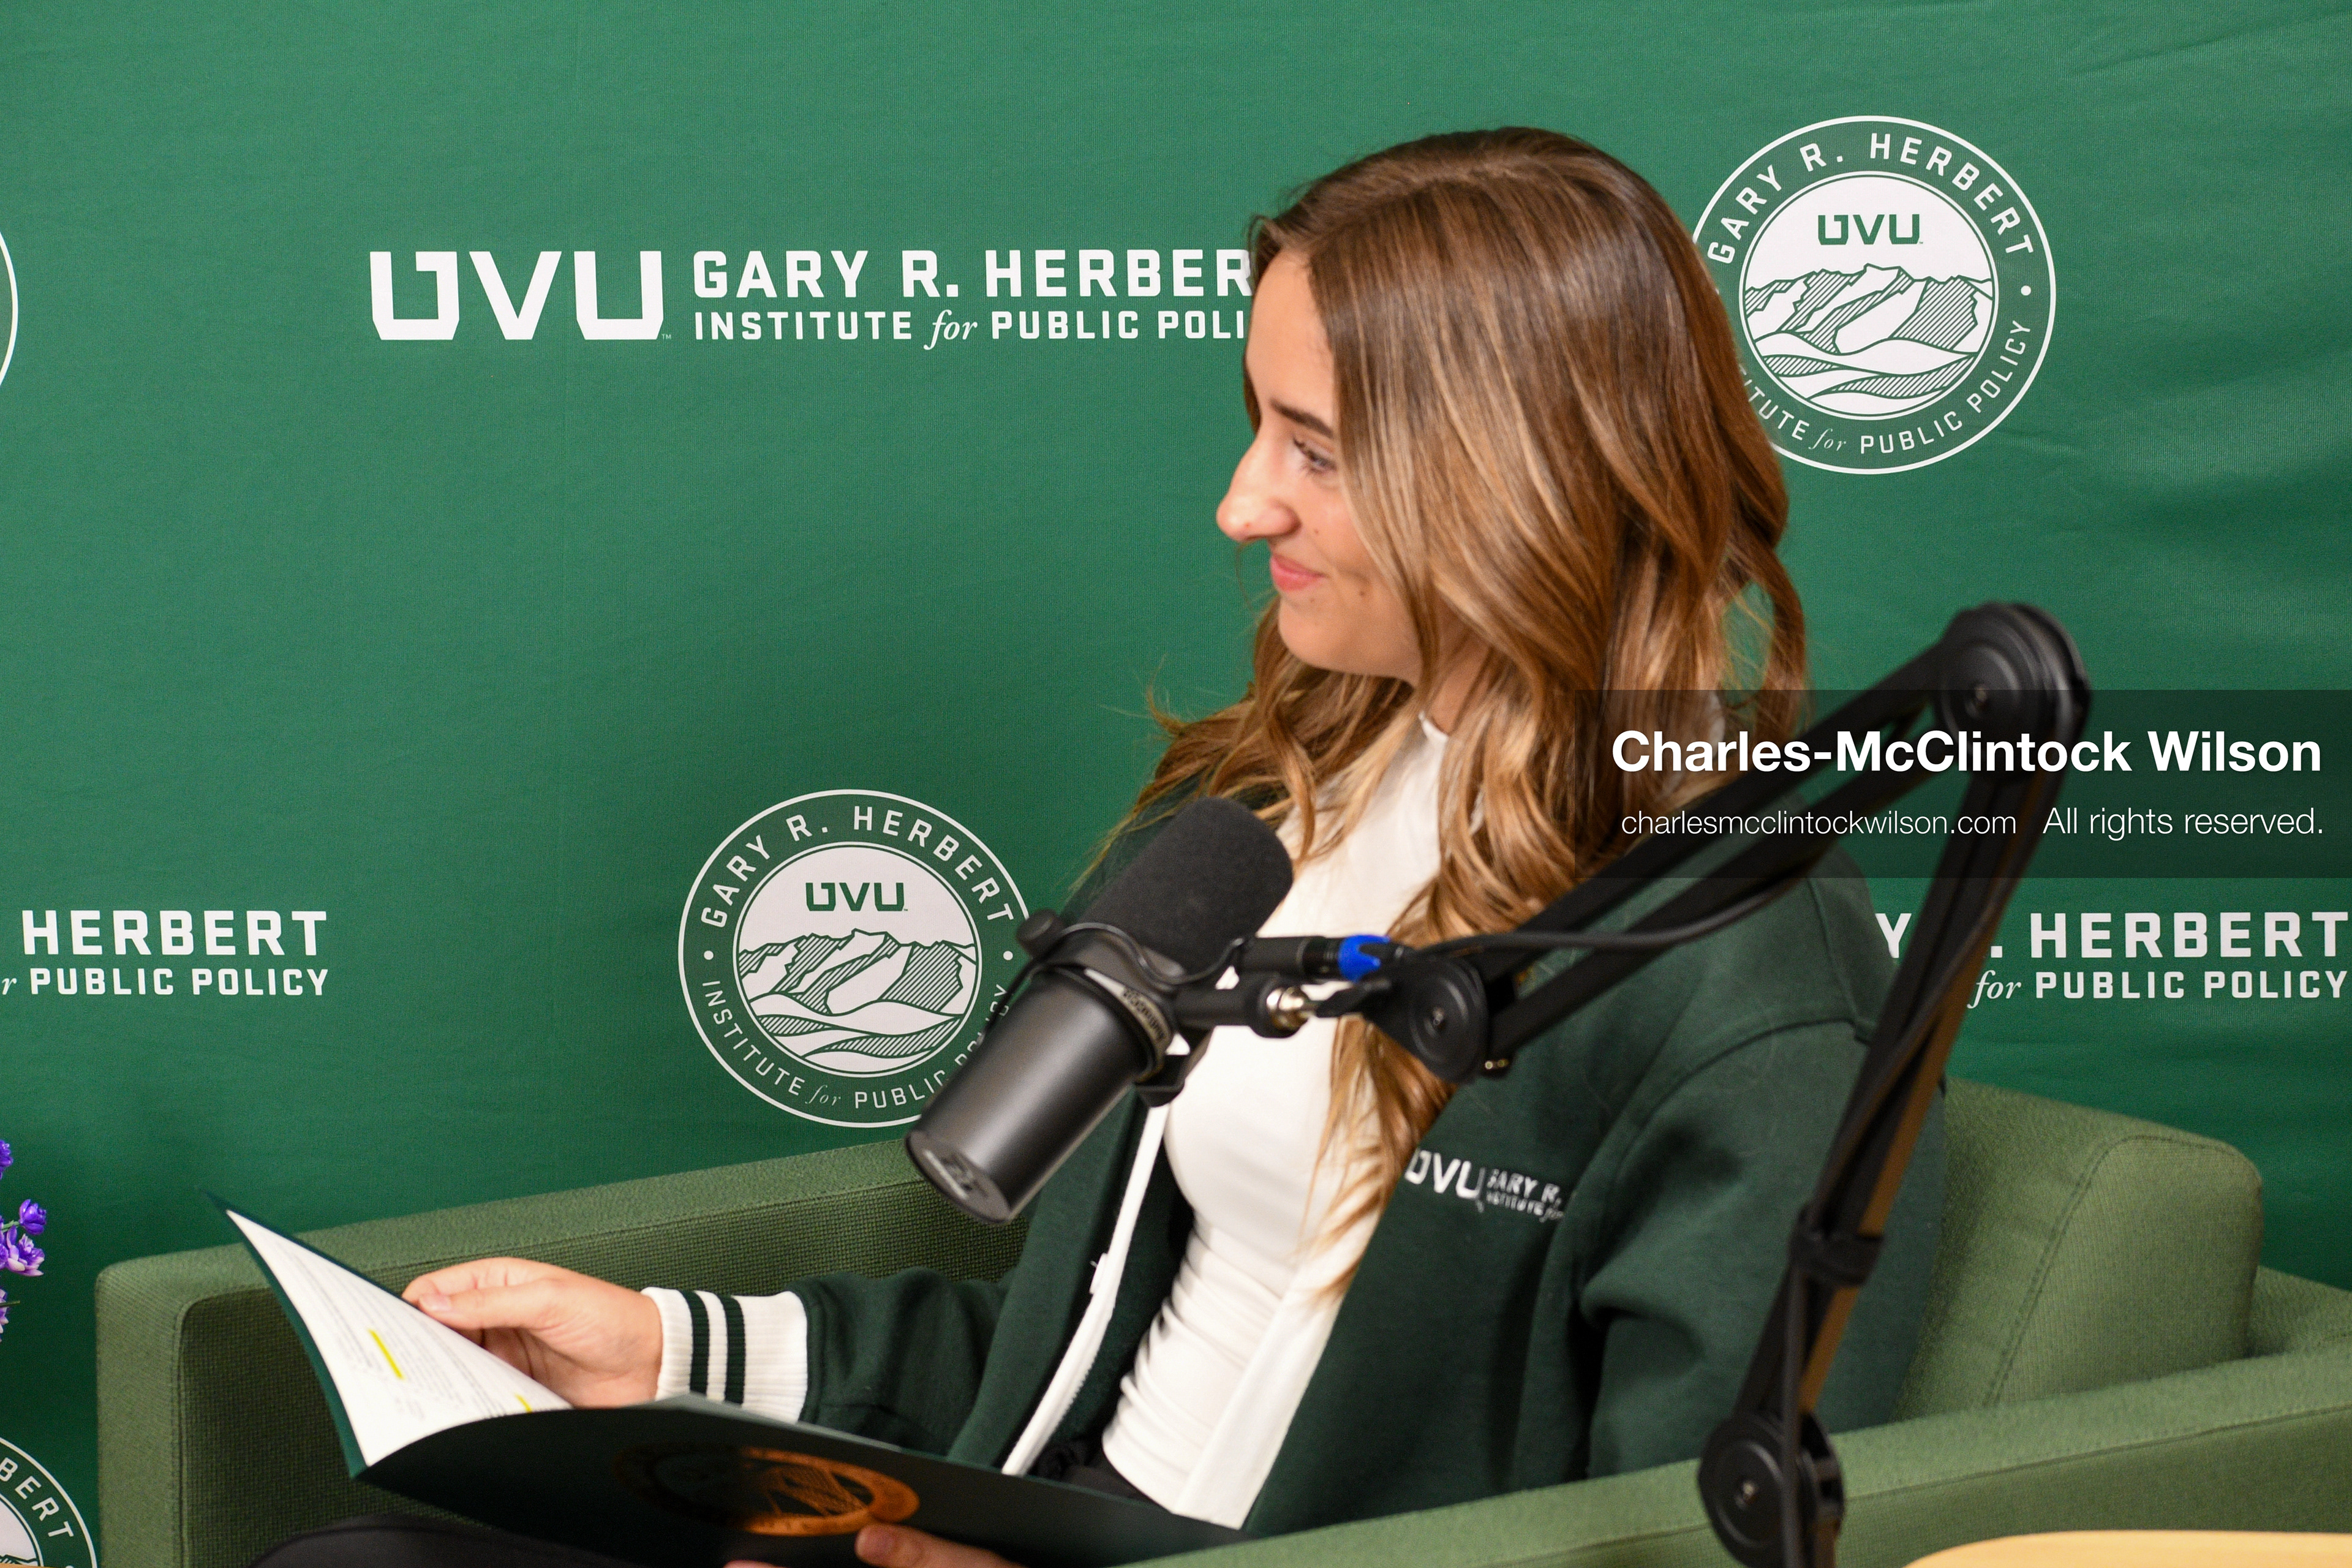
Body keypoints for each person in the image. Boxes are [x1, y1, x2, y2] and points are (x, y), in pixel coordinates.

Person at [268, 127, 1943, 1568]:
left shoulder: (1733, 970)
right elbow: (1072, 1356)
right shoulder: (1281, 806)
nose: (1242, 504)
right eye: (1259, 424)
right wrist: (672, 1350)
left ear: (1518, 480)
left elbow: (1679, 1543)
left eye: (1316, 450)